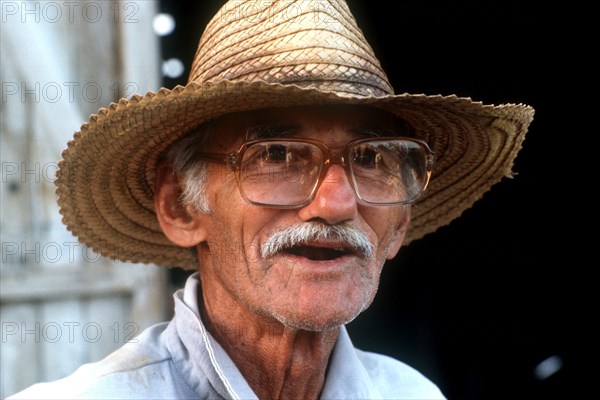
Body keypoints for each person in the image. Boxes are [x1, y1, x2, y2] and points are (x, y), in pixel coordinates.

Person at [10, 0, 534, 399]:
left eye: (372, 159)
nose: (335, 203)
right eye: (277, 154)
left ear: (399, 225)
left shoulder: (412, 394)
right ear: (180, 205)